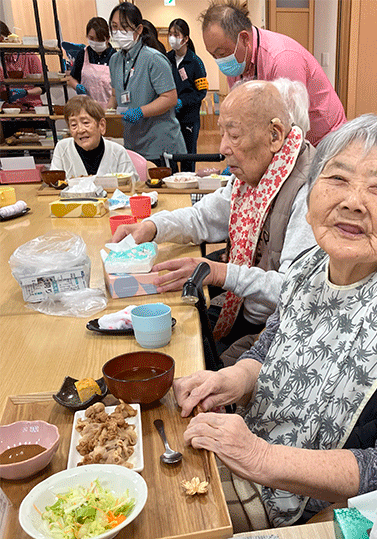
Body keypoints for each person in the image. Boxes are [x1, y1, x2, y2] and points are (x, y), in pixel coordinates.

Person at [173, 114, 377, 531]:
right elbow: (270, 348)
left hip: (352, 514)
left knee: (173, 523)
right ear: (311, 193)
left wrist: (260, 457)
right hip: (266, 451)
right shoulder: (313, 262)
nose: (353, 201)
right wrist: (237, 379)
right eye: (337, 179)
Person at [111, 79, 316, 362]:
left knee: (185, 360)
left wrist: (219, 272)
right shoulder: (254, 174)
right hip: (242, 308)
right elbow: (201, 218)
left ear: (275, 135)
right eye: (222, 133)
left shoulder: (307, 191)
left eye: (234, 135)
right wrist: (152, 226)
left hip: (277, 329)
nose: (223, 148)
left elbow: (295, 290)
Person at [199, 0, 346, 146]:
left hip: (325, 140)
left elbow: (290, 130)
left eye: (222, 53)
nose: (220, 61)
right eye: (213, 55)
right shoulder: (237, 62)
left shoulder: (283, 59)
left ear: (244, 39)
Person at [107, 2, 186, 167]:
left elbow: (169, 98)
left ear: (139, 29)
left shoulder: (153, 59)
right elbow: (115, 95)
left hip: (158, 144)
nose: (119, 32)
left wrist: (140, 112)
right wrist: (105, 116)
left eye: (125, 27)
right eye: (114, 27)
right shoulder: (115, 60)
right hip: (132, 142)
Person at [50, 96, 138, 179]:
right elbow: (54, 185)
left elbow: (132, 185)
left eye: (85, 123)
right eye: (73, 125)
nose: (80, 130)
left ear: (101, 125)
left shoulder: (118, 152)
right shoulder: (62, 148)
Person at [167, 18, 208, 170]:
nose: (172, 38)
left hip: (188, 118)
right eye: (170, 34)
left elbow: (201, 92)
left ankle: (187, 182)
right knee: (170, 154)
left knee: (188, 154)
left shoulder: (195, 62)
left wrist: (182, 101)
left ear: (185, 39)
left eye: (176, 35)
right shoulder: (166, 59)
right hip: (169, 117)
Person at [67, 17, 116, 108]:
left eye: (99, 39)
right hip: (87, 107)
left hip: (110, 108)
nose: (95, 42)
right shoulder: (83, 54)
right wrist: (77, 86)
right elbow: (71, 78)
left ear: (108, 38)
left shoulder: (115, 57)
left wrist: (108, 110)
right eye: (91, 38)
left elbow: (119, 88)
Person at [0, 21, 44, 110]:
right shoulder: (2, 60)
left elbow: (43, 87)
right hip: (9, 111)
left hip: (31, 109)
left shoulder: (29, 57)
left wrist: (26, 92)